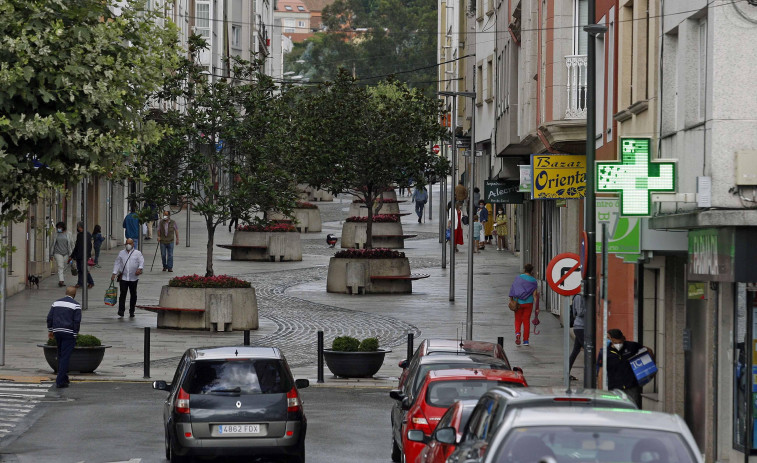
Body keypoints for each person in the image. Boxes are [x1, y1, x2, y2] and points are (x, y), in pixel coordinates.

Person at [47, 286, 81, 388]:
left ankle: (64, 377)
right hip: (69, 332)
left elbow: (50, 317)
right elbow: (77, 321)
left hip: (57, 331)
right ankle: (60, 380)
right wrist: (75, 334)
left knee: (61, 354)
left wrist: (50, 330)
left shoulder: (56, 303)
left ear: (65, 292)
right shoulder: (76, 305)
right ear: (74, 295)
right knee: (65, 356)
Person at [599, 329, 644, 407]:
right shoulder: (605, 353)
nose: (618, 345)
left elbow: (648, 351)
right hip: (614, 387)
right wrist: (600, 391)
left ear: (623, 338)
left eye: (620, 342)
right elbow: (601, 372)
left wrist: (650, 369)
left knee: (632, 408)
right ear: (611, 340)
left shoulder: (632, 346)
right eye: (615, 343)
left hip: (631, 386)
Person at [111, 238, 145, 318]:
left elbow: (141, 261)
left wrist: (139, 268)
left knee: (133, 295)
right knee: (123, 294)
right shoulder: (121, 253)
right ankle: (121, 310)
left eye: (130, 243)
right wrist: (114, 273)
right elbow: (117, 263)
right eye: (127, 243)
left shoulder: (137, 253)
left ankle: (132, 310)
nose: (128, 245)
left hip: (133, 278)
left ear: (133, 244)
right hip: (124, 277)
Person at [508, 264, 538, 347]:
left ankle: (518, 334)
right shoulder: (534, 281)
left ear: (524, 269)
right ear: (532, 271)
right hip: (529, 303)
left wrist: (511, 299)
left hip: (518, 303)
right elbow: (535, 295)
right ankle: (526, 340)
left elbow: (513, 288)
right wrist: (537, 307)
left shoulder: (518, 278)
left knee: (518, 320)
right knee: (526, 321)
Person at [69, 221, 94, 289]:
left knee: (84, 270)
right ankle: (80, 283)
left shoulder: (87, 234)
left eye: (79, 226)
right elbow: (77, 246)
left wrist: (88, 255)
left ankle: (91, 282)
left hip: (84, 255)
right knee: (79, 270)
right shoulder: (79, 235)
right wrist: (72, 255)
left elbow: (89, 245)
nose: (78, 228)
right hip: (79, 255)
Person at [49, 222, 74, 287]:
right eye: (57, 228)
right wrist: (51, 254)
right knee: (60, 266)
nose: (58, 229)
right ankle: (61, 281)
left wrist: (73, 254)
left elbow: (72, 244)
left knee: (64, 266)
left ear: (63, 227)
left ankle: (61, 278)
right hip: (57, 253)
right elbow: (52, 244)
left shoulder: (68, 234)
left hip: (66, 253)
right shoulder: (55, 234)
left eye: (60, 227)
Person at [568, 293, 586, 381]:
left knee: (575, 350)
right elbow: (579, 312)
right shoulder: (579, 296)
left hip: (582, 326)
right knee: (589, 350)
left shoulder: (582, 296)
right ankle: (594, 373)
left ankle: (567, 372)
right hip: (580, 327)